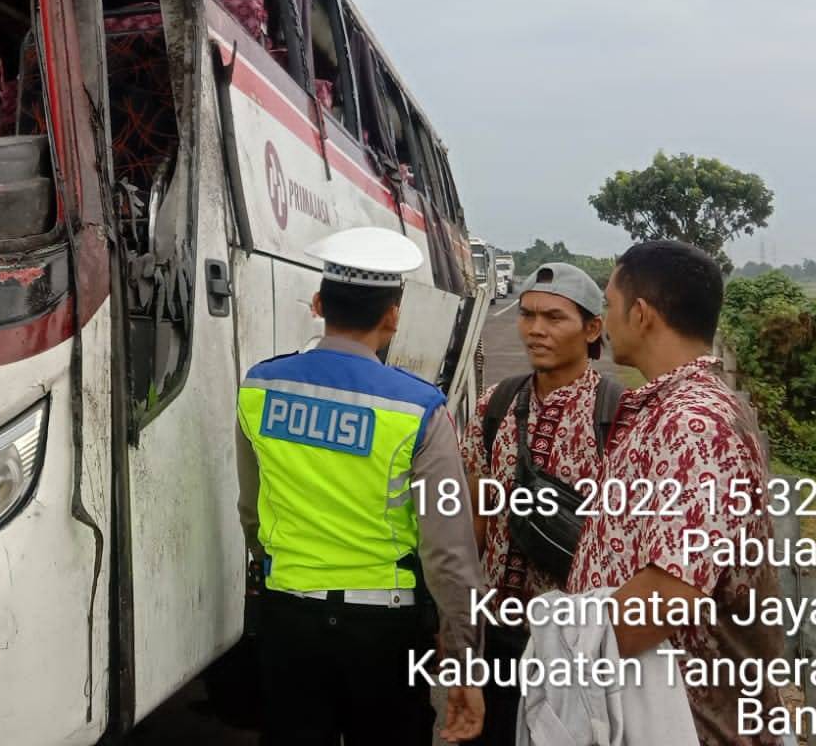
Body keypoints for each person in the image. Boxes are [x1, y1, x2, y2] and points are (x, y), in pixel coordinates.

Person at [236, 225, 486, 746]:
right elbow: (449, 554)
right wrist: (464, 659)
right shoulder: (419, 409)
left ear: (319, 302)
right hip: (384, 631)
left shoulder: (261, 387)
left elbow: (251, 511)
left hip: (288, 620)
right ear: (393, 315)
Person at [567, 240, 785, 746]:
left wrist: (569, 658)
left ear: (641, 314)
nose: (607, 317)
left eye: (610, 304)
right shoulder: (674, 409)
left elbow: (670, 595)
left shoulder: (693, 422)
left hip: (682, 722)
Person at [459, 262, 623, 746]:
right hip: (497, 636)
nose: (535, 329)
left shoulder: (618, 416)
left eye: (554, 318)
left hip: (572, 647)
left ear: (593, 328)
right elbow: (475, 518)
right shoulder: (496, 404)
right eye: (528, 315)